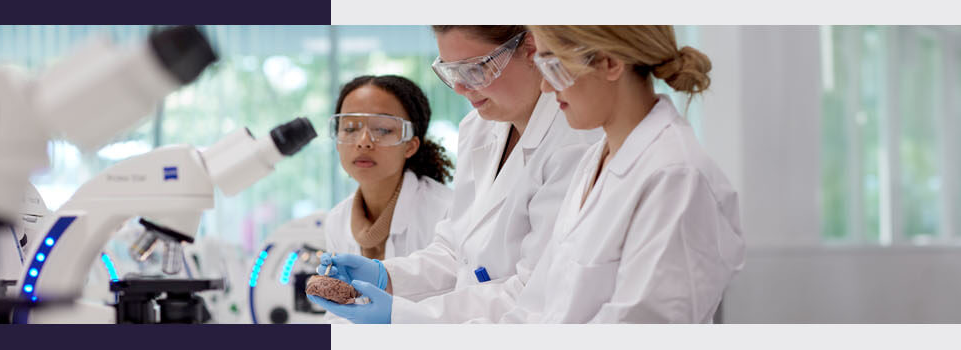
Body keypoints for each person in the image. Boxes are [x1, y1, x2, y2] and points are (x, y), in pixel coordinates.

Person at [318, 25, 744, 324]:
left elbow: (644, 326)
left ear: (611, 63)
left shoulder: (673, 176)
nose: (545, 85)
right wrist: (392, 288)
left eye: (553, 66)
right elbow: (540, 305)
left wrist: (402, 316)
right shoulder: (600, 160)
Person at [310, 26, 597, 323]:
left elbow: (532, 295)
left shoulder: (576, 141)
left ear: (531, 47)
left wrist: (400, 316)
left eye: (475, 68)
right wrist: (387, 276)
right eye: (451, 72)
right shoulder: (479, 127)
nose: (460, 88)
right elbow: (454, 251)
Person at [322, 75, 455, 265]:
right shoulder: (337, 220)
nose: (363, 142)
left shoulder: (446, 212)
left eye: (382, 130)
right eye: (350, 129)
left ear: (410, 146)